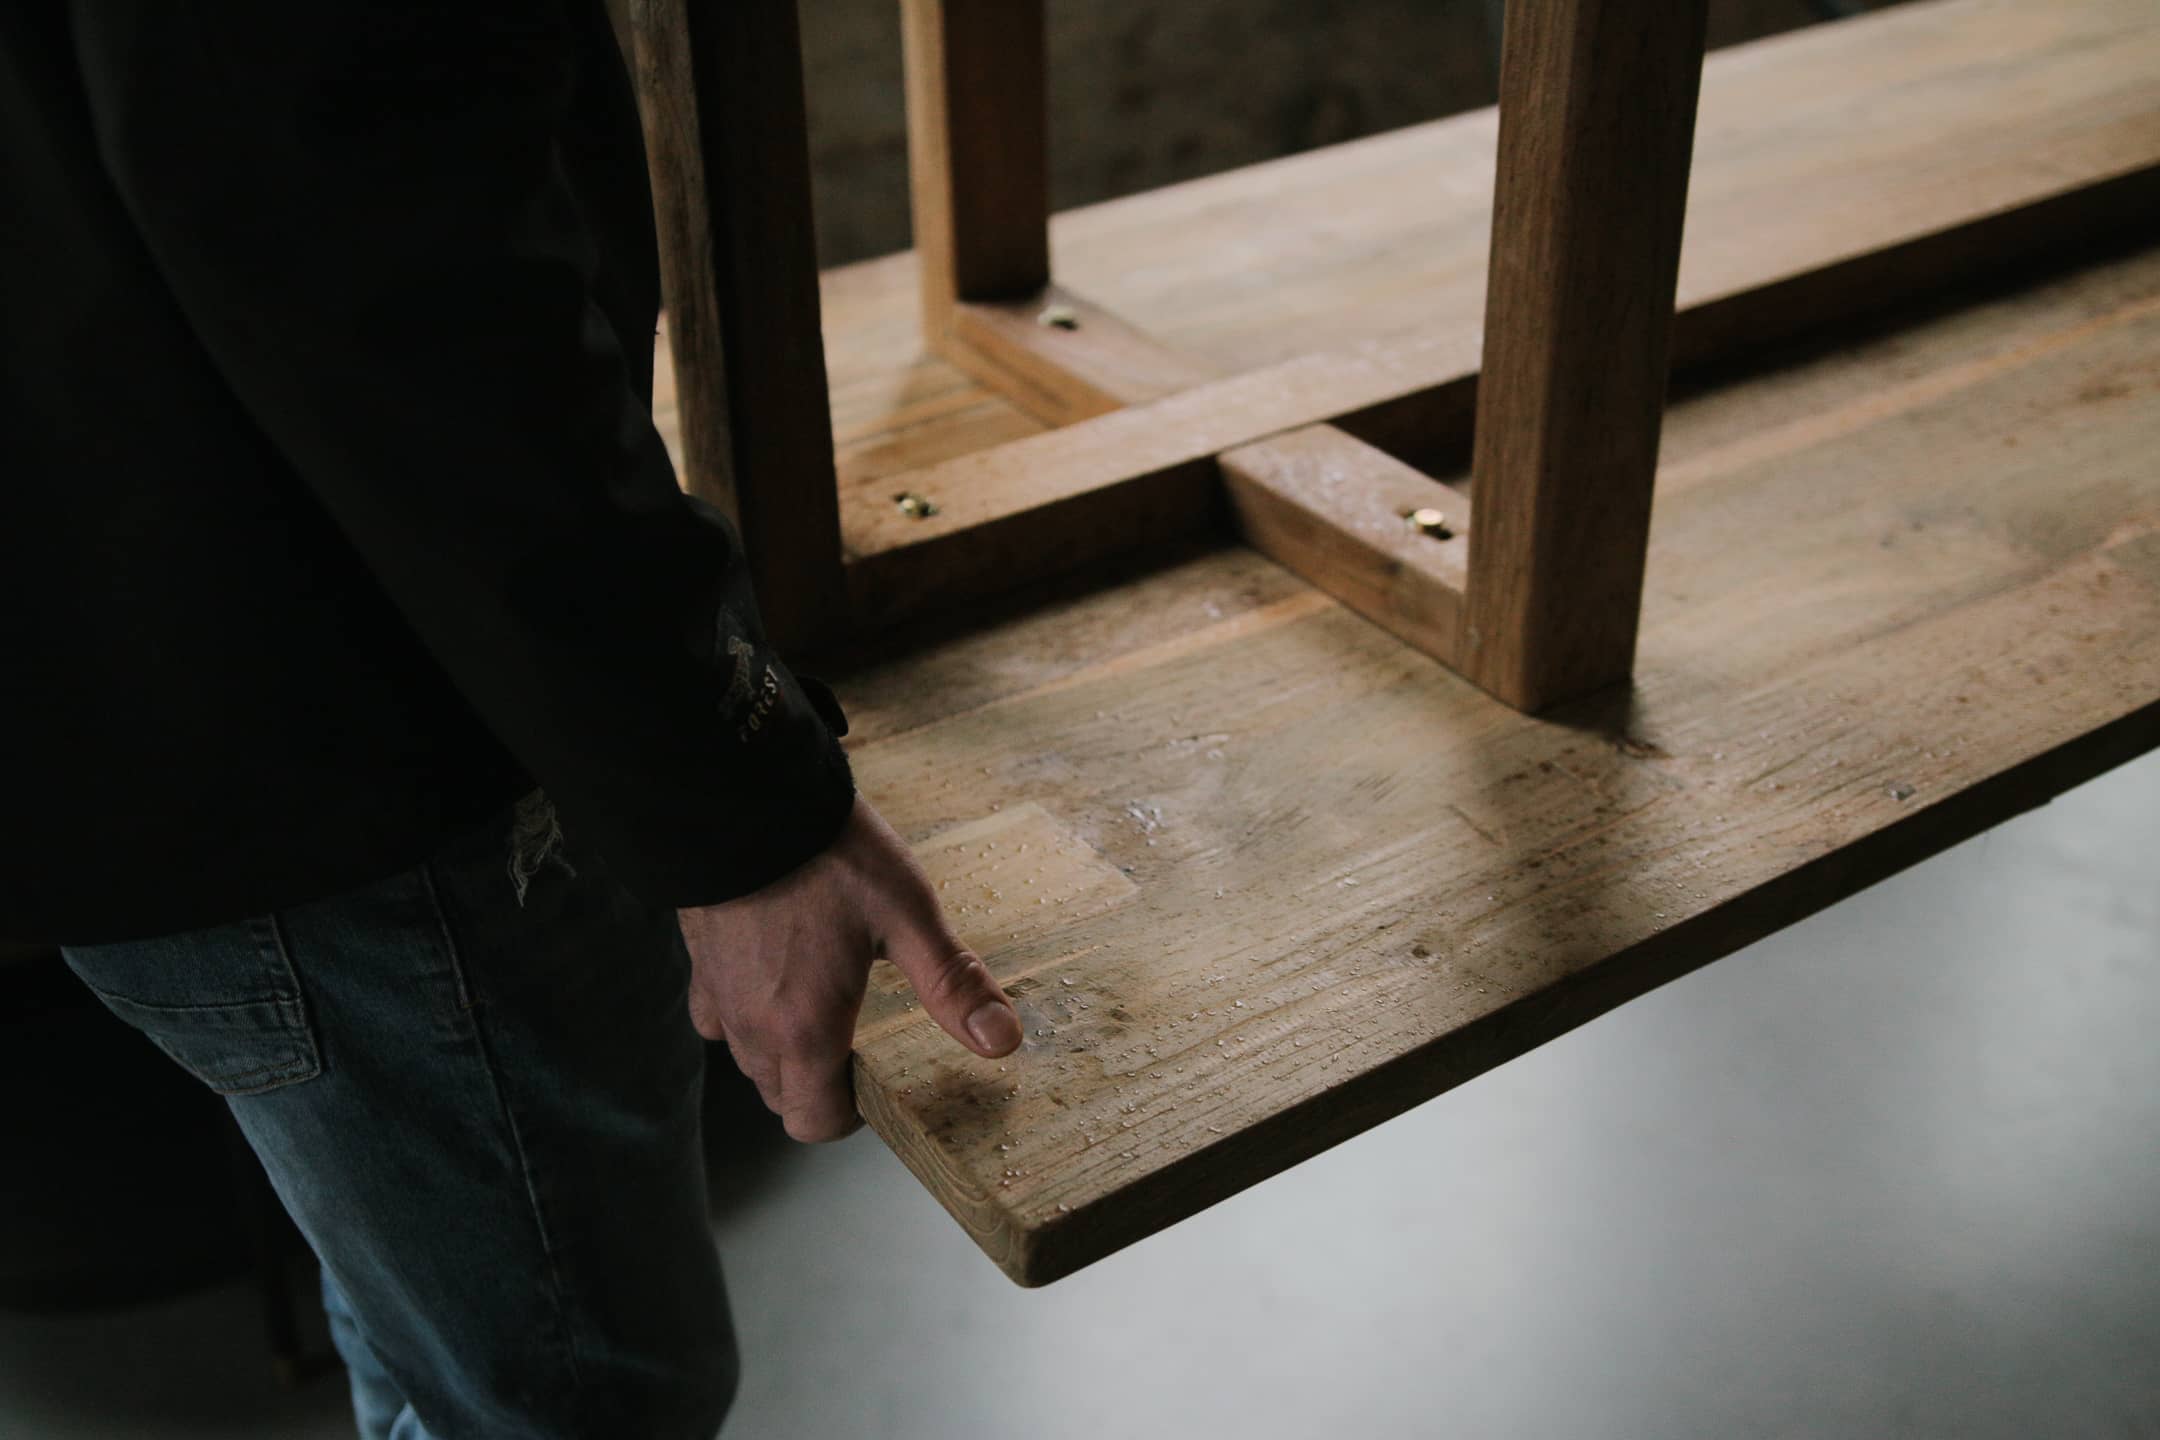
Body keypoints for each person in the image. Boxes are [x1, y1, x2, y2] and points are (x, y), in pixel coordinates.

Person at [0, 3, 1022, 1435]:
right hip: (343, 755)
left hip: (156, 681)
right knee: (572, 1402)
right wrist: (750, 824)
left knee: (439, 1343)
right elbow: (389, 274)